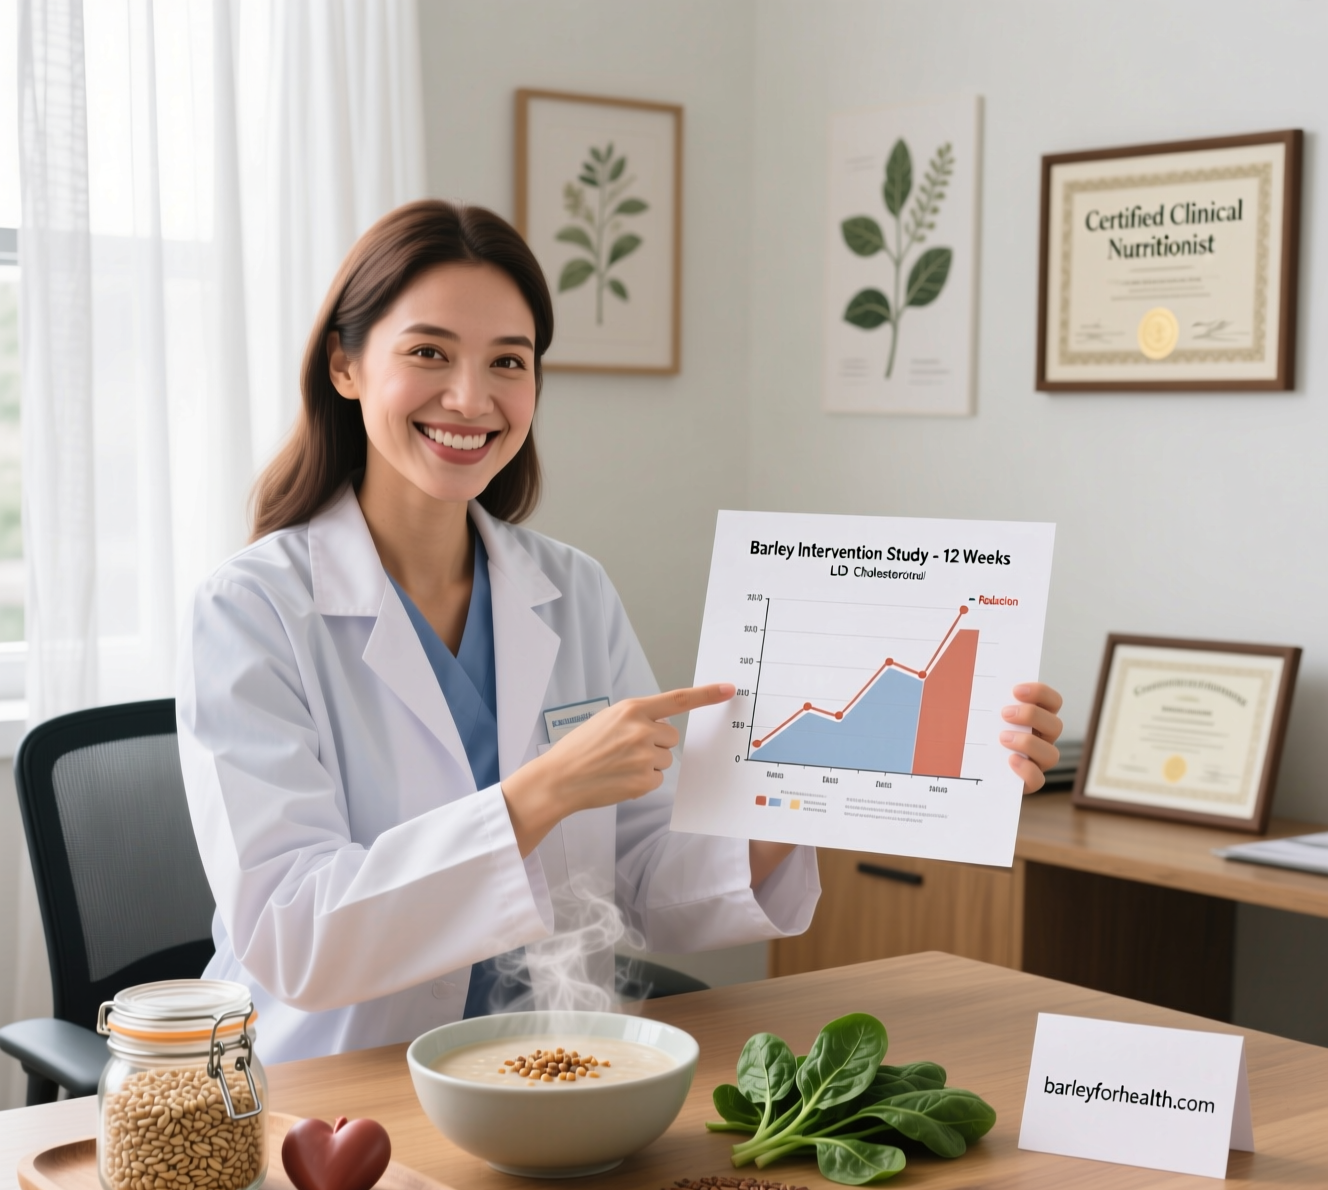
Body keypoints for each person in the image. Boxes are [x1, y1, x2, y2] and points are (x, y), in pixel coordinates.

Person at [177, 201, 1063, 1063]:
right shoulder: (251, 611)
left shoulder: (571, 590)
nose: (471, 397)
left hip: (560, 1071)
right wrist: (539, 796)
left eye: (509, 362)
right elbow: (290, 934)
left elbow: (642, 880)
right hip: (338, 1091)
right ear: (344, 366)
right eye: (428, 353)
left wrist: (871, 769)